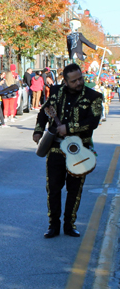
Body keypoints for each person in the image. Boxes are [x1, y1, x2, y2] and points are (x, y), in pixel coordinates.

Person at [32, 63, 103, 238]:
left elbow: (93, 122)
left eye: (80, 78)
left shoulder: (94, 96)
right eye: (74, 81)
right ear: (65, 81)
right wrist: (38, 130)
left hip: (80, 148)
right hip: (56, 147)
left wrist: (69, 128)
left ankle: (69, 224)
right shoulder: (56, 92)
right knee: (53, 188)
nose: (79, 83)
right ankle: (53, 224)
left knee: (75, 188)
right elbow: (44, 111)